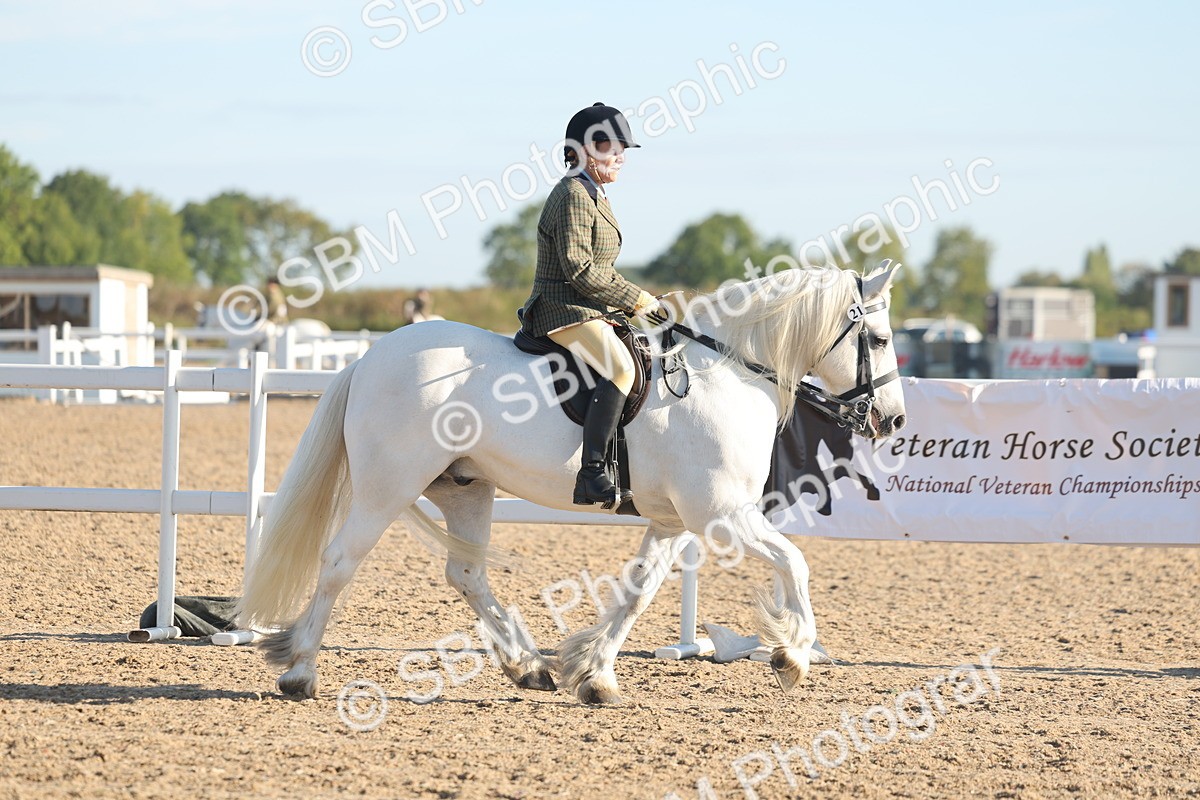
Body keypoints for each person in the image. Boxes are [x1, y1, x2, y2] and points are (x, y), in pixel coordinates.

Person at [518, 102, 663, 506]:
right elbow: (581, 271)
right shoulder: (573, 194)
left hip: (590, 308)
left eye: (622, 148)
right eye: (609, 146)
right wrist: (636, 299)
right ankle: (592, 471)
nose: (619, 156)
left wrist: (639, 302)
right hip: (562, 309)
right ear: (581, 150)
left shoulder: (594, 193)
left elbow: (603, 269)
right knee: (621, 367)